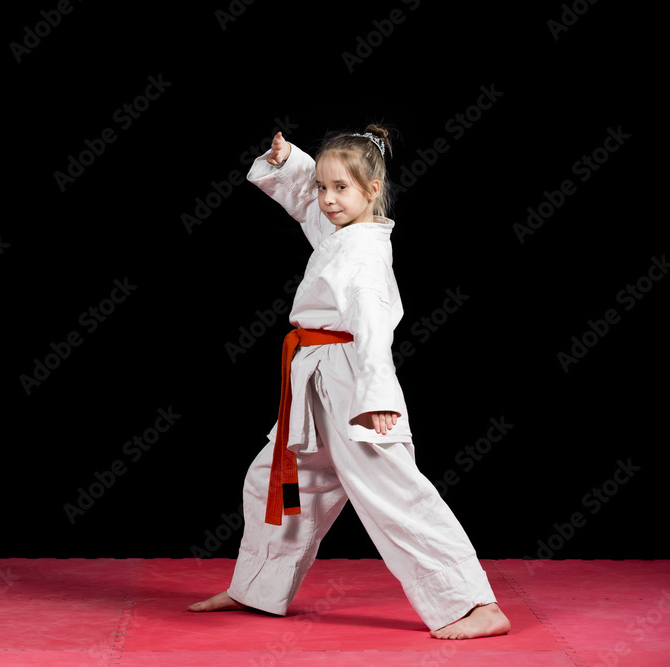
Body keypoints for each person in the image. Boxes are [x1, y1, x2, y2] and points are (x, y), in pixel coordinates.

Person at [188, 127, 510, 640]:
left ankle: (474, 603)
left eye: (341, 188)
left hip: (350, 374)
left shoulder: (362, 255)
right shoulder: (344, 234)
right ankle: (257, 588)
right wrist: (290, 161)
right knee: (281, 481)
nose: (328, 199)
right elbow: (310, 208)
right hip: (316, 374)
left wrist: (376, 399)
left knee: (392, 492)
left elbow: (374, 331)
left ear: (372, 189)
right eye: (322, 185)